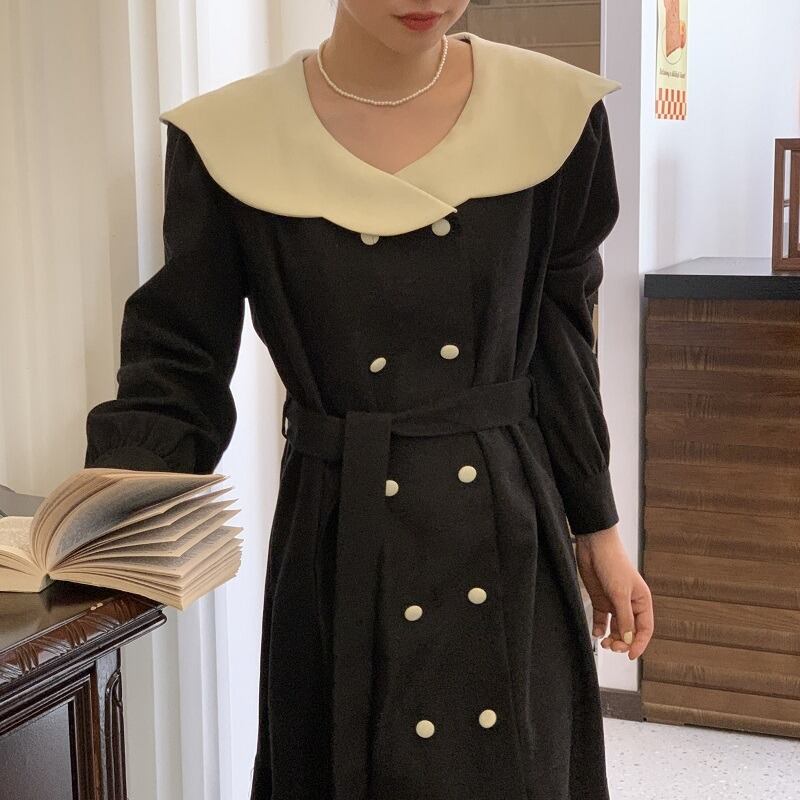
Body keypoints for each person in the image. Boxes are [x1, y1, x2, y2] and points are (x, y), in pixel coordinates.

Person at [83, 2, 654, 798]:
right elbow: (178, 358)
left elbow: (561, 342)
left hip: (506, 531)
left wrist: (599, 527)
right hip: (337, 537)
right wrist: (105, 516)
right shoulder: (231, 136)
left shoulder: (553, 113)